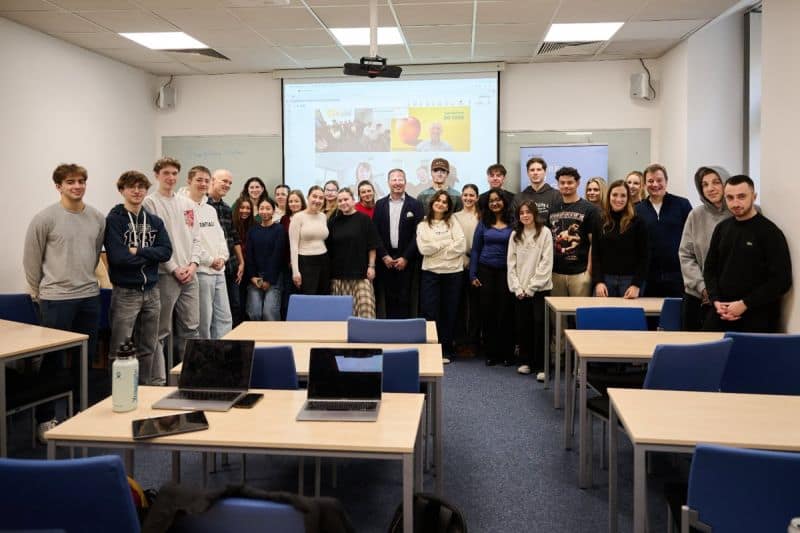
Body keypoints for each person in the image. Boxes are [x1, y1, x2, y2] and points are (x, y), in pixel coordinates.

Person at [23, 163, 105, 438]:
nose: (77, 186)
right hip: (55, 299)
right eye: (70, 182)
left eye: (81, 181)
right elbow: (31, 261)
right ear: (58, 186)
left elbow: (94, 255)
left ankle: (81, 412)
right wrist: (39, 293)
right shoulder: (45, 218)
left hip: (88, 297)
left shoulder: (96, 217)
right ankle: (45, 418)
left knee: (86, 359)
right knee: (52, 361)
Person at [104, 170, 172, 385]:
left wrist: (139, 250)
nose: (137, 191)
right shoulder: (114, 220)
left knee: (148, 348)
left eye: (141, 187)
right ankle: (118, 394)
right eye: (131, 187)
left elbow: (166, 252)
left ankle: (143, 391)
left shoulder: (154, 221)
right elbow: (118, 257)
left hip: (152, 291)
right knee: (119, 349)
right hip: (126, 292)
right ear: (122, 190)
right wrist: (150, 256)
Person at [703, 175, 792, 333]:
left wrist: (745, 304)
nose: (735, 203)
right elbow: (710, 269)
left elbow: (782, 280)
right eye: (730, 197)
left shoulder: (770, 232)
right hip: (721, 313)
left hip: (757, 317)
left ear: (754, 196)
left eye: (741, 196)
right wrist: (716, 300)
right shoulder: (722, 229)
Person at [142, 157, 201, 380]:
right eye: (166, 173)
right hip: (166, 275)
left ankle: (189, 376)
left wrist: (194, 264)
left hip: (190, 275)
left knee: (191, 328)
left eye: (174, 173)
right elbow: (153, 242)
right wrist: (174, 268)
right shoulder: (150, 203)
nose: (171, 178)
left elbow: (196, 238)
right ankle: (158, 381)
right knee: (160, 331)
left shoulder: (187, 204)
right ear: (157, 175)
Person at [182, 166, 232, 339]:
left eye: (206, 180)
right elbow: (190, 240)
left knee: (224, 318)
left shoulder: (210, 209)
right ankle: (207, 360)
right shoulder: (185, 209)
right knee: (205, 320)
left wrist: (223, 258)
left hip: (219, 271)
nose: (203, 184)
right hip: (202, 271)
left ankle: (223, 357)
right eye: (199, 180)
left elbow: (220, 237)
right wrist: (210, 260)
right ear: (189, 181)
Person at [679, 167, 731, 330]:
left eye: (716, 182)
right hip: (698, 296)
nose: (710, 188)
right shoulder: (696, 215)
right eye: (705, 184)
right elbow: (686, 255)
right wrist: (703, 288)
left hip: (730, 298)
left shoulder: (740, 213)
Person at [417, 191, 466, 363]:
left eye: (444, 202)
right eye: (438, 200)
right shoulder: (423, 224)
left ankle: (446, 350)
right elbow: (424, 249)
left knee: (449, 311)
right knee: (430, 311)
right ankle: (431, 348)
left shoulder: (453, 221)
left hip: (453, 273)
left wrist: (437, 248)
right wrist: (445, 244)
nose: (441, 204)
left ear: (448, 207)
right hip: (431, 273)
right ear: (432, 203)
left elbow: (461, 245)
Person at [507, 200, 553, 380]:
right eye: (522, 213)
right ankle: (525, 361)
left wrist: (532, 287)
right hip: (520, 290)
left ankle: (542, 366)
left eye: (528, 212)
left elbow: (546, 262)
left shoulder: (545, 233)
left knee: (540, 325)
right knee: (523, 325)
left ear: (534, 213)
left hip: (539, 289)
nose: (525, 215)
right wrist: (517, 287)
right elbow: (511, 264)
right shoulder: (514, 235)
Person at [470, 188, 514, 366]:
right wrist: (472, 273)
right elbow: (475, 249)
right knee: (487, 312)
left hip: (506, 272)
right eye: (491, 201)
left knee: (505, 312)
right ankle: (491, 353)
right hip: (485, 270)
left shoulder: (513, 222)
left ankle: (507, 353)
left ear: (504, 201)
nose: (495, 203)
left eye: (498, 200)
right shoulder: (483, 222)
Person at [373, 168, 424, 318]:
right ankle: (391, 334)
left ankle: (404, 333)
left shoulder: (415, 205)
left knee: (405, 299)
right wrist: (384, 256)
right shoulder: (380, 204)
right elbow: (375, 233)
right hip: (386, 259)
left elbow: (418, 233)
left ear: (405, 182)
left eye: (400, 179)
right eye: (394, 179)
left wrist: (406, 257)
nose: (397, 183)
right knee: (388, 299)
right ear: (388, 182)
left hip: (407, 260)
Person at [636, 164, 692, 297]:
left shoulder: (682, 205)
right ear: (644, 184)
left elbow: (692, 239)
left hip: (678, 276)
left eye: (659, 180)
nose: (655, 184)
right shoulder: (637, 209)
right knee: (650, 316)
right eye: (650, 181)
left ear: (666, 181)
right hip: (648, 277)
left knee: (677, 316)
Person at [327, 188, 379, 318]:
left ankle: (367, 338)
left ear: (353, 200)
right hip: (339, 276)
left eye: (346, 199)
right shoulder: (333, 222)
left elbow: (372, 246)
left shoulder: (364, 219)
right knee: (341, 316)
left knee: (366, 312)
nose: (343, 203)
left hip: (361, 275)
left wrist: (371, 267)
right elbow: (329, 248)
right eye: (340, 200)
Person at [591, 180, 648, 298]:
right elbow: (595, 254)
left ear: (628, 198)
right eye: (615, 195)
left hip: (630, 281)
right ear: (608, 196)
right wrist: (599, 282)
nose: (618, 199)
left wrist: (636, 284)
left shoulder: (638, 221)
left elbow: (645, 256)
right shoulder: (599, 220)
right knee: (601, 316)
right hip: (605, 281)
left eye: (623, 196)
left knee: (629, 316)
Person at [549, 167, 598, 297]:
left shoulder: (590, 209)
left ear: (577, 183)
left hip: (580, 273)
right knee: (558, 316)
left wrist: (589, 272)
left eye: (570, 182)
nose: (566, 186)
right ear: (558, 184)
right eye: (562, 183)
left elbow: (594, 243)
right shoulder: (553, 208)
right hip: (556, 273)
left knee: (580, 315)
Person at [208, 169, 244, 330]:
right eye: (224, 181)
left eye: (230, 183)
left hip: (230, 266)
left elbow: (233, 236)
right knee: (210, 312)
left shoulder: (227, 208)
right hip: (210, 266)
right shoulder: (201, 205)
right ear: (212, 180)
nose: (227, 185)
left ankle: (232, 345)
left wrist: (241, 262)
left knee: (235, 307)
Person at [245, 198, 287, 321]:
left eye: (268, 208)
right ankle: (256, 340)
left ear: (273, 211)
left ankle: (274, 340)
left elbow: (277, 255)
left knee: (269, 313)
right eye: (262, 208)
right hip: (255, 277)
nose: (265, 211)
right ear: (258, 211)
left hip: (274, 278)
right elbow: (249, 255)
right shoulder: (253, 230)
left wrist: (268, 280)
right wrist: (253, 277)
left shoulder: (279, 229)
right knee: (254, 312)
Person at [453, 184, 481, 356]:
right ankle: (461, 342)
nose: (468, 198)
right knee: (460, 305)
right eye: (465, 195)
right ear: (461, 197)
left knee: (476, 306)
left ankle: (474, 342)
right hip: (458, 265)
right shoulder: (454, 217)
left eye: (472, 195)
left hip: (477, 267)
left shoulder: (482, 217)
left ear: (477, 197)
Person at [289, 185, 330, 295]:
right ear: (308, 197)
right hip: (305, 262)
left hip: (324, 260)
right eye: (314, 196)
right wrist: (295, 272)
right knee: (309, 298)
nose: (317, 200)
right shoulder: (298, 217)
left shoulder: (323, 216)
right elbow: (293, 246)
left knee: (324, 296)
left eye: (321, 198)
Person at [514, 157, 560, 225]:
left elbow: (558, 222)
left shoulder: (556, 195)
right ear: (528, 173)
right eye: (532, 170)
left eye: (539, 170)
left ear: (545, 172)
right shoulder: (519, 198)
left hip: (548, 235)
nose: (535, 173)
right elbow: (514, 221)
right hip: (525, 235)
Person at [231, 197, 255, 325]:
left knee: (249, 304)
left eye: (248, 208)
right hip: (236, 268)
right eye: (242, 207)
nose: (245, 211)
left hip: (250, 269)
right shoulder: (232, 224)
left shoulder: (255, 226)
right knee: (237, 303)